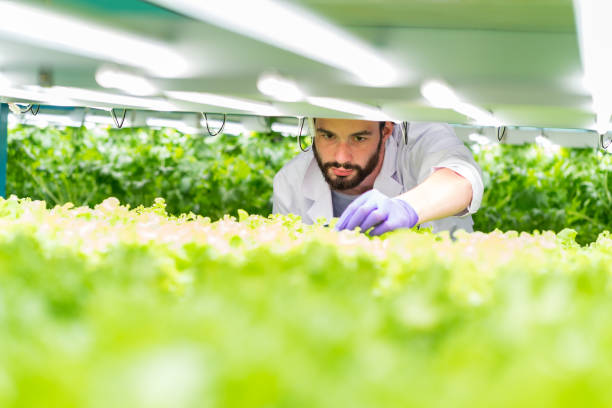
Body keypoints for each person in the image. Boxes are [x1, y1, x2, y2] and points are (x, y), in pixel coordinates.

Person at [272, 118, 483, 236]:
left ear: (386, 130)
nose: (341, 157)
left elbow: (461, 177)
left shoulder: (416, 140)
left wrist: (406, 208)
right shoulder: (291, 180)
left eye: (359, 138)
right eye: (328, 136)